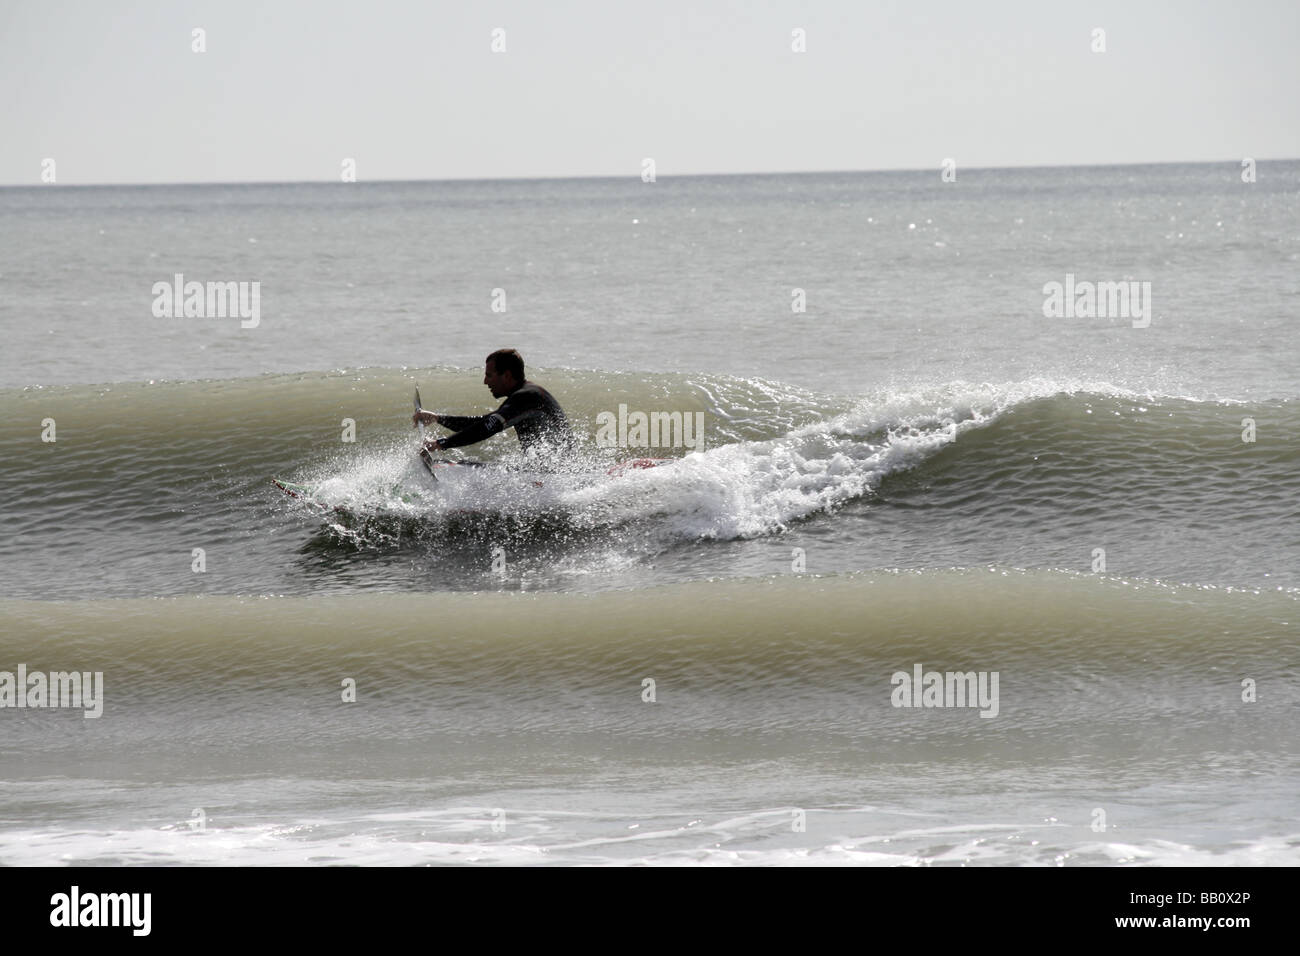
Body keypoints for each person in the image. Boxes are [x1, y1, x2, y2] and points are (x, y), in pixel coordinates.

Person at [413, 349, 577, 462]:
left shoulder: (527, 397)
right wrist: (437, 419)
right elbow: (483, 423)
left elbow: (486, 428)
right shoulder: (523, 396)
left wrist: (440, 443)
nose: (485, 381)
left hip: (554, 477)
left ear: (506, 375)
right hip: (546, 474)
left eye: (489, 375)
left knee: (456, 466)